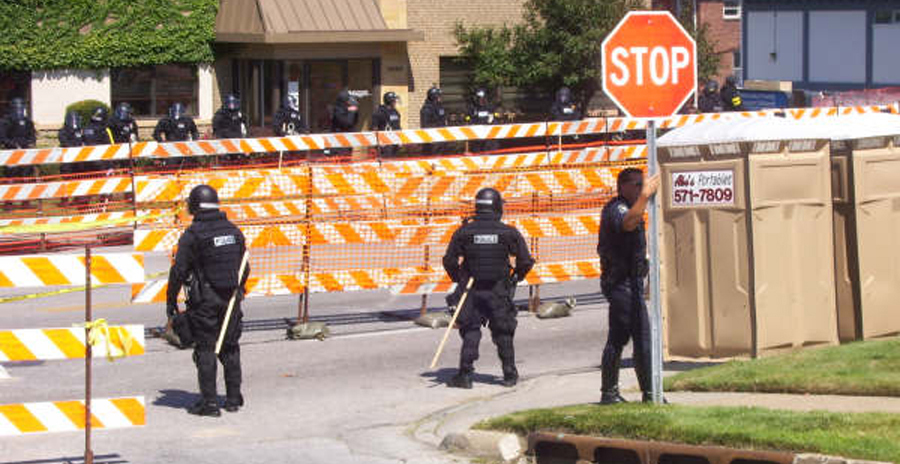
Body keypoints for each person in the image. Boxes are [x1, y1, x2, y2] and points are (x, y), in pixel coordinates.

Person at [167, 184, 249, 417]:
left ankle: (210, 403)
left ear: (194, 206)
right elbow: (245, 268)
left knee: (205, 350)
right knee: (230, 347)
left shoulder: (194, 235)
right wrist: (237, 291)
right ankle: (233, 399)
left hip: (206, 301)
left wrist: (171, 300)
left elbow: (179, 270)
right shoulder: (234, 232)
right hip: (231, 299)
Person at [442, 188, 534, 389]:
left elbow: (449, 260)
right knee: (503, 331)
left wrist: (460, 279)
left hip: (471, 290)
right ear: (497, 206)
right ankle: (509, 373)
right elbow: (525, 260)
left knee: (470, 330)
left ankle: (465, 374)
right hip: (498, 289)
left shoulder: (464, 232)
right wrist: (515, 277)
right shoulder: (507, 232)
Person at [597, 168, 661, 404]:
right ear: (622, 186)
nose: (640, 188)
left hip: (630, 281)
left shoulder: (634, 207)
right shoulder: (618, 208)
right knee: (643, 336)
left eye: (642, 184)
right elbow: (628, 223)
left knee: (618, 336)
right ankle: (651, 394)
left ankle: (609, 393)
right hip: (620, 282)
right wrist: (644, 196)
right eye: (636, 185)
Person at [465, 88, 499, 153]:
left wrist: (493, 119)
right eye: (479, 98)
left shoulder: (490, 107)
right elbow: (468, 119)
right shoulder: (473, 108)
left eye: (482, 98)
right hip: (477, 136)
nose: (481, 100)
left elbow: (496, 117)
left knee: (491, 149)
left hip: (489, 136)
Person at [328, 90, 360, 156]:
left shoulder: (346, 109)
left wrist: (355, 112)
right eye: (348, 100)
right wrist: (351, 112)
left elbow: (355, 122)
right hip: (339, 143)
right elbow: (347, 122)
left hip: (347, 141)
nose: (349, 102)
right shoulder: (337, 110)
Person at [371, 91, 402, 156]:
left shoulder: (395, 112)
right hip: (384, 143)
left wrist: (399, 140)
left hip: (395, 142)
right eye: (394, 100)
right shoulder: (379, 113)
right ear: (390, 101)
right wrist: (378, 143)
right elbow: (374, 128)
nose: (395, 102)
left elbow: (398, 126)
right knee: (387, 162)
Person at [420, 86, 448, 156]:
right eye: (438, 96)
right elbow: (425, 125)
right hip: (432, 139)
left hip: (442, 137)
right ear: (434, 97)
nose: (440, 98)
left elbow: (443, 119)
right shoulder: (426, 109)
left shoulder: (440, 107)